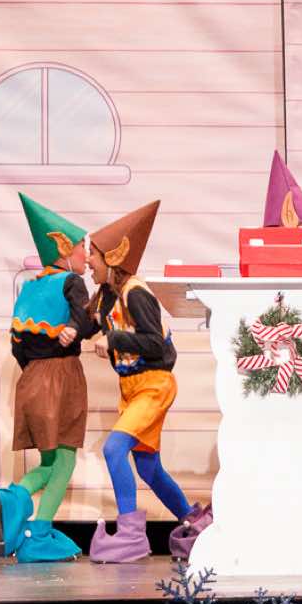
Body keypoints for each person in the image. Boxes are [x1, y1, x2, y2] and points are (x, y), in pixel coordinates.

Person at [87, 201, 206, 562]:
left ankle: (130, 535)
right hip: (132, 388)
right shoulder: (105, 296)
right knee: (148, 467)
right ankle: (196, 524)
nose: (88, 262)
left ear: (112, 258)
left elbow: (155, 343)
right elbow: (84, 323)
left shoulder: (135, 292)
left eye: (92, 255)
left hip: (153, 384)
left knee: (114, 449)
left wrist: (115, 339)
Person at [0, 195, 103, 563]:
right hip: (61, 376)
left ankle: (13, 498)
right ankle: (38, 532)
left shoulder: (30, 288)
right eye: (82, 247)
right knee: (65, 460)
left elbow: (17, 345)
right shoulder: (72, 282)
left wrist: (39, 368)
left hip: (32, 378)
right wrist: (77, 329)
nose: (86, 255)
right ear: (64, 250)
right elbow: (82, 320)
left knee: (50, 461)